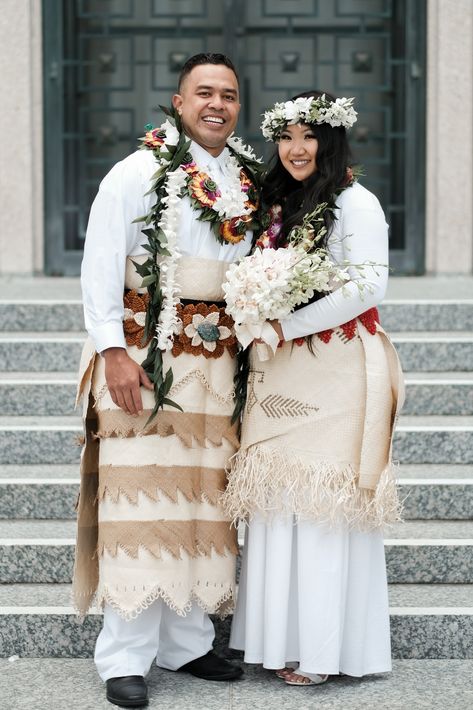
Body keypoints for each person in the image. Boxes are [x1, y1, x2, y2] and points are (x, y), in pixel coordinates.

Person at [73, 53, 262, 708]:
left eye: (229, 94)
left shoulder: (243, 183)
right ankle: (123, 657)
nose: (216, 103)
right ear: (178, 103)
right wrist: (113, 354)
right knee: (143, 503)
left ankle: (185, 642)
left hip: (215, 366)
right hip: (144, 358)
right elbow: (101, 266)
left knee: (198, 507)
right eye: (203, 92)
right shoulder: (137, 173)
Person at [222, 91, 405, 686]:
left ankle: (324, 650)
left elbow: (368, 286)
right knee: (279, 504)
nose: (297, 150)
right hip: (280, 368)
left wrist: (284, 323)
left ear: (332, 142)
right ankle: (280, 641)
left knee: (323, 505)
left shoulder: (357, 203)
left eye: (310, 138)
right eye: (287, 138)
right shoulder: (277, 207)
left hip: (335, 365)